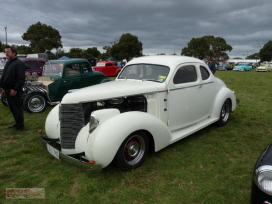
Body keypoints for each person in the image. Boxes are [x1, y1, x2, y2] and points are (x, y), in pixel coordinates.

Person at [0, 45, 25, 131]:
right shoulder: (8, 63)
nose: (6, 54)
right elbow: (4, 76)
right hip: (7, 89)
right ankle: (17, 123)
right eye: (5, 52)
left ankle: (20, 125)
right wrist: (3, 88)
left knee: (17, 108)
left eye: (8, 52)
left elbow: (21, 79)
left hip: (14, 90)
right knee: (12, 108)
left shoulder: (19, 63)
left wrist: (15, 89)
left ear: (14, 53)